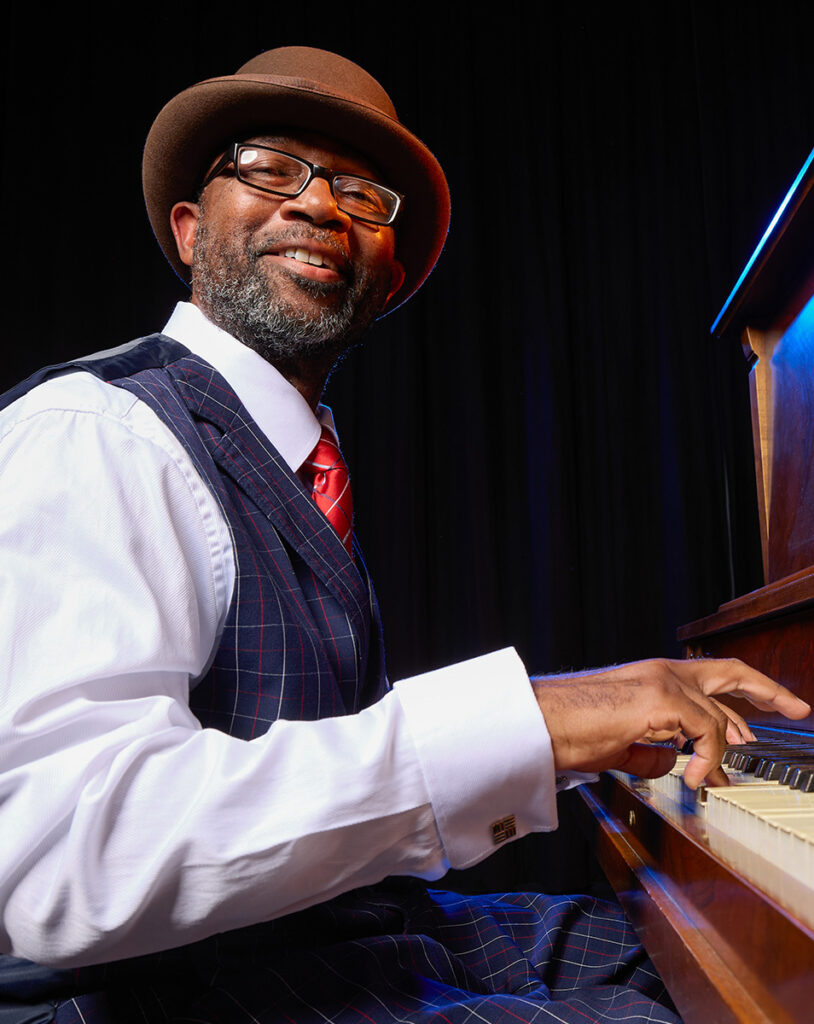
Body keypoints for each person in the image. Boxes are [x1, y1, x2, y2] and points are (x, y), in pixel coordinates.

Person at [0, 46, 808, 1024]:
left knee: (649, 953)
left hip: (340, 935)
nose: (316, 204)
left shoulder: (306, 465)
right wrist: (542, 720)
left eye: (359, 190)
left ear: (388, 270)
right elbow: (60, 856)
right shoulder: (98, 432)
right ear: (187, 228)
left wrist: (605, 725)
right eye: (268, 167)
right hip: (137, 994)